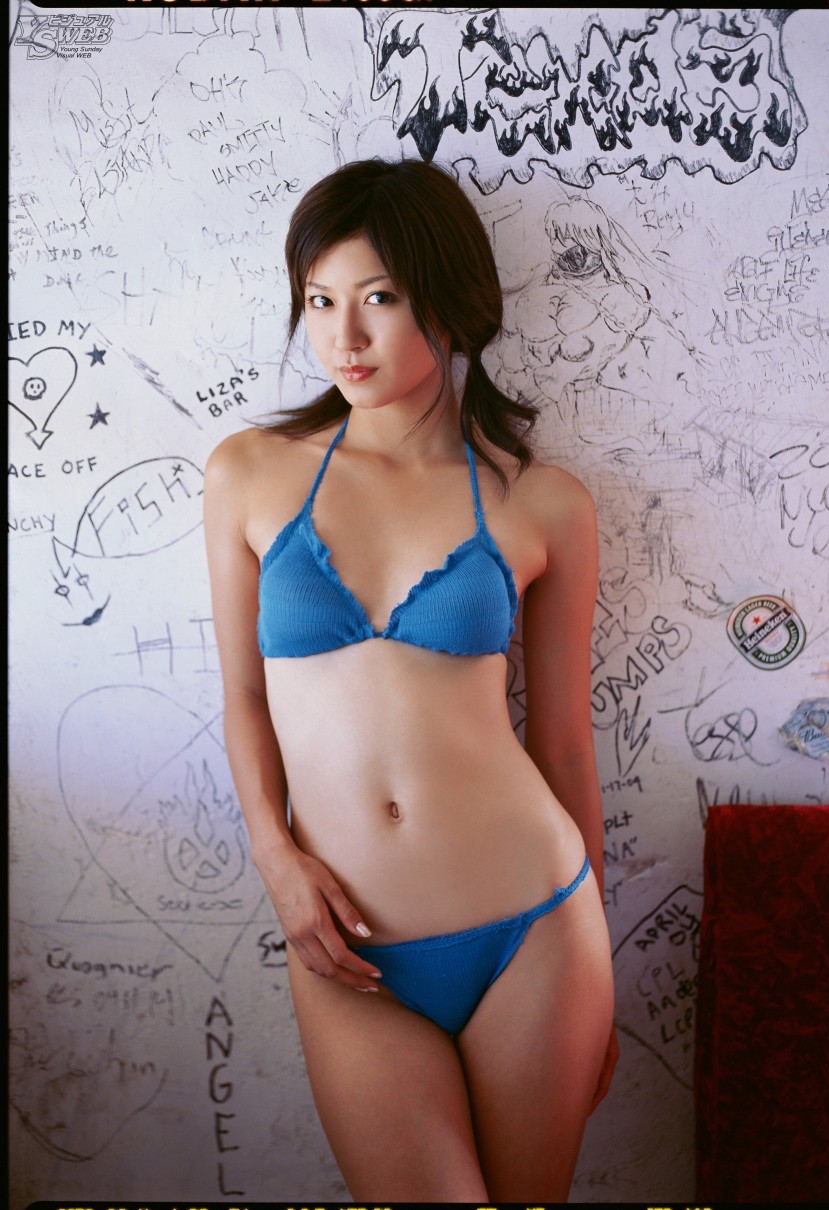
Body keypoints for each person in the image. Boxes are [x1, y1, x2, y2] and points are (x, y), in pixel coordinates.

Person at [203, 157, 617, 1202]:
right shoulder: (249, 473)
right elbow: (243, 696)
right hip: (350, 949)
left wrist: (602, 965)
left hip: (535, 927)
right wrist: (275, 861)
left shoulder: (542, 502)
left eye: (378, 299)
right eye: (319, 301)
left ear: (447, 301)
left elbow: (563, 741)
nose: (342, 337)